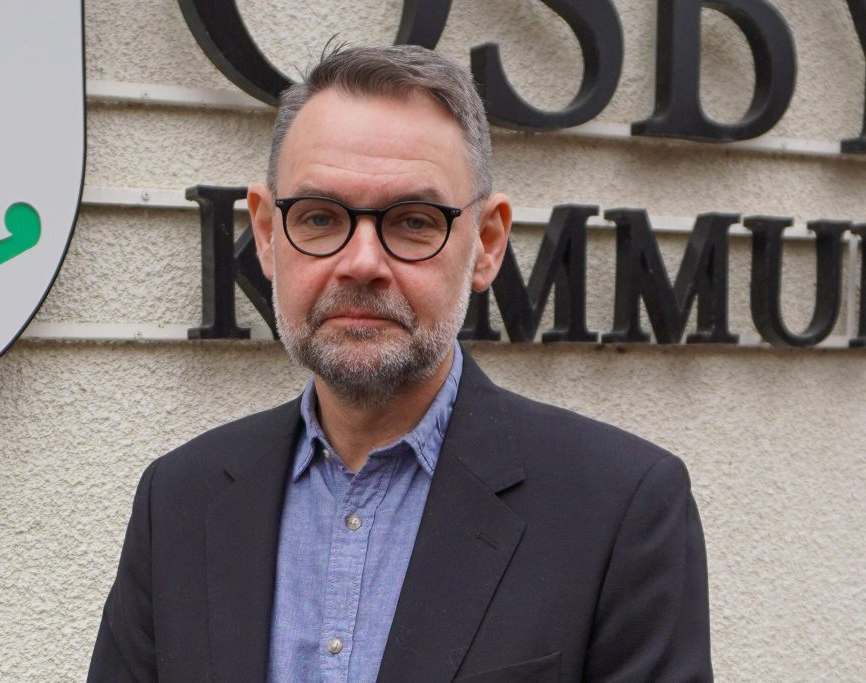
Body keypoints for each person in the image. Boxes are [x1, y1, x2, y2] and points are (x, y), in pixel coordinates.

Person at [88, 45, 712, 683]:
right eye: (320, 217)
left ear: (487, 244)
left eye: (414, 221)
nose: (362, 263)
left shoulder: (620, 509)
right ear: (269, 236)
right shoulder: (179, 501)